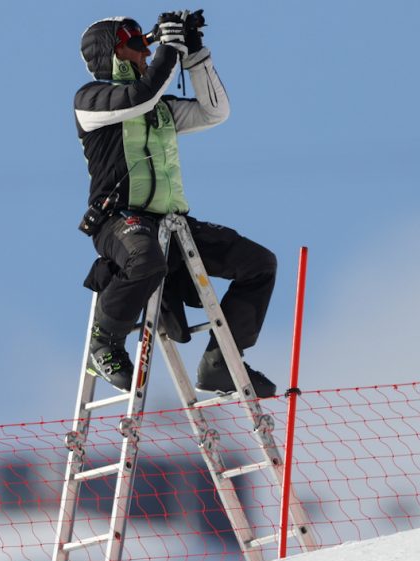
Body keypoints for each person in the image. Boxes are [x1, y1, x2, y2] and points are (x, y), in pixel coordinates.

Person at [74, 12, 277, 397]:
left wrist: (195, 54)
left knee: (259, 264)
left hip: (172, 225)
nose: (146, 52)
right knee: (145, 259)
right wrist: (169, 47)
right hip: (118, 220)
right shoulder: (90, 100)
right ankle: (105, 341)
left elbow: (214, 111)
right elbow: (138, 96)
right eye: (137, 45)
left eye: (147, 45)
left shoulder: (159, 107)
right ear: (112, 52)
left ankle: (221, 362)